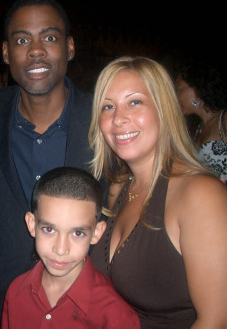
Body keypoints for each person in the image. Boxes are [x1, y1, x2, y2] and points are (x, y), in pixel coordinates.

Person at [0, 0, 95, 329]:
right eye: (22, 39)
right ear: (6, 53)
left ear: (69, 47)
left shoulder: (101, 117)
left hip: (82, 304)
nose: (36, 50)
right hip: (0, 298)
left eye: (49, 37)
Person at [89, 56, 227, 328]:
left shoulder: (201, 195)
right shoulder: (119, 188)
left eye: (135, 101)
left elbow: (216, 320)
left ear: (164, 109)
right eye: (108, 106)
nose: (118, 118)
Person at [1, 166, 140, 329]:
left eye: (78, 233)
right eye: (49, 229)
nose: (60, 250)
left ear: (96, 233)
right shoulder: (16, 292)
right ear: (32, 225)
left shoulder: (114, 316)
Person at [175, 63, 227, 182]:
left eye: (179, 89)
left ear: (196, 89)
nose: (175, 96)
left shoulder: (223, 120)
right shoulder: (197, 129)